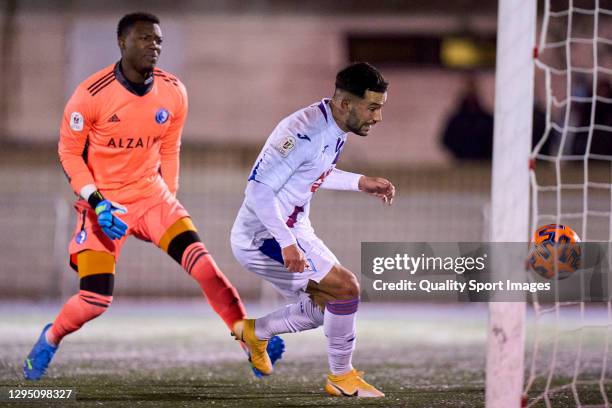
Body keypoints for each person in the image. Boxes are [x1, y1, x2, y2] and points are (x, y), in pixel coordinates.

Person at [23, 12, 282, 381]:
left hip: (153, 200)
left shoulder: (174, 90)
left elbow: (170, 147)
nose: (154, 45)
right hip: (104, 207)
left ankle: (247, 339)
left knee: (207, 269)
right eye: (145, 38)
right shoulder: (90, 95)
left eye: (158, 40)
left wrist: (169, 200)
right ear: (122, 43)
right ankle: (50, 337)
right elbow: (68, 154)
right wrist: (96, 201)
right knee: (95, 301)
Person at [231, 62, 395, 397]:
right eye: (373, 108)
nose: (377, 118)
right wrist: (286, 242)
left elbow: (314, 172)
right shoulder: (301, 131)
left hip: (295, 227)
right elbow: (258, 191)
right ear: (346, 104)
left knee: (329, 308)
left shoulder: (334, 124)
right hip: (262, 236)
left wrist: (360, 182)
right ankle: (340, 377)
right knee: (345, 289)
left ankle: (255, 331)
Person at [440, 76, 494, 160]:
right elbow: (446, 141)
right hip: (462, 163)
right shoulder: (456, 120)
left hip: (483, 163)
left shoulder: (486, 119)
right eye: (468, 88)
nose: (470, 92)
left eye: (472, 88)